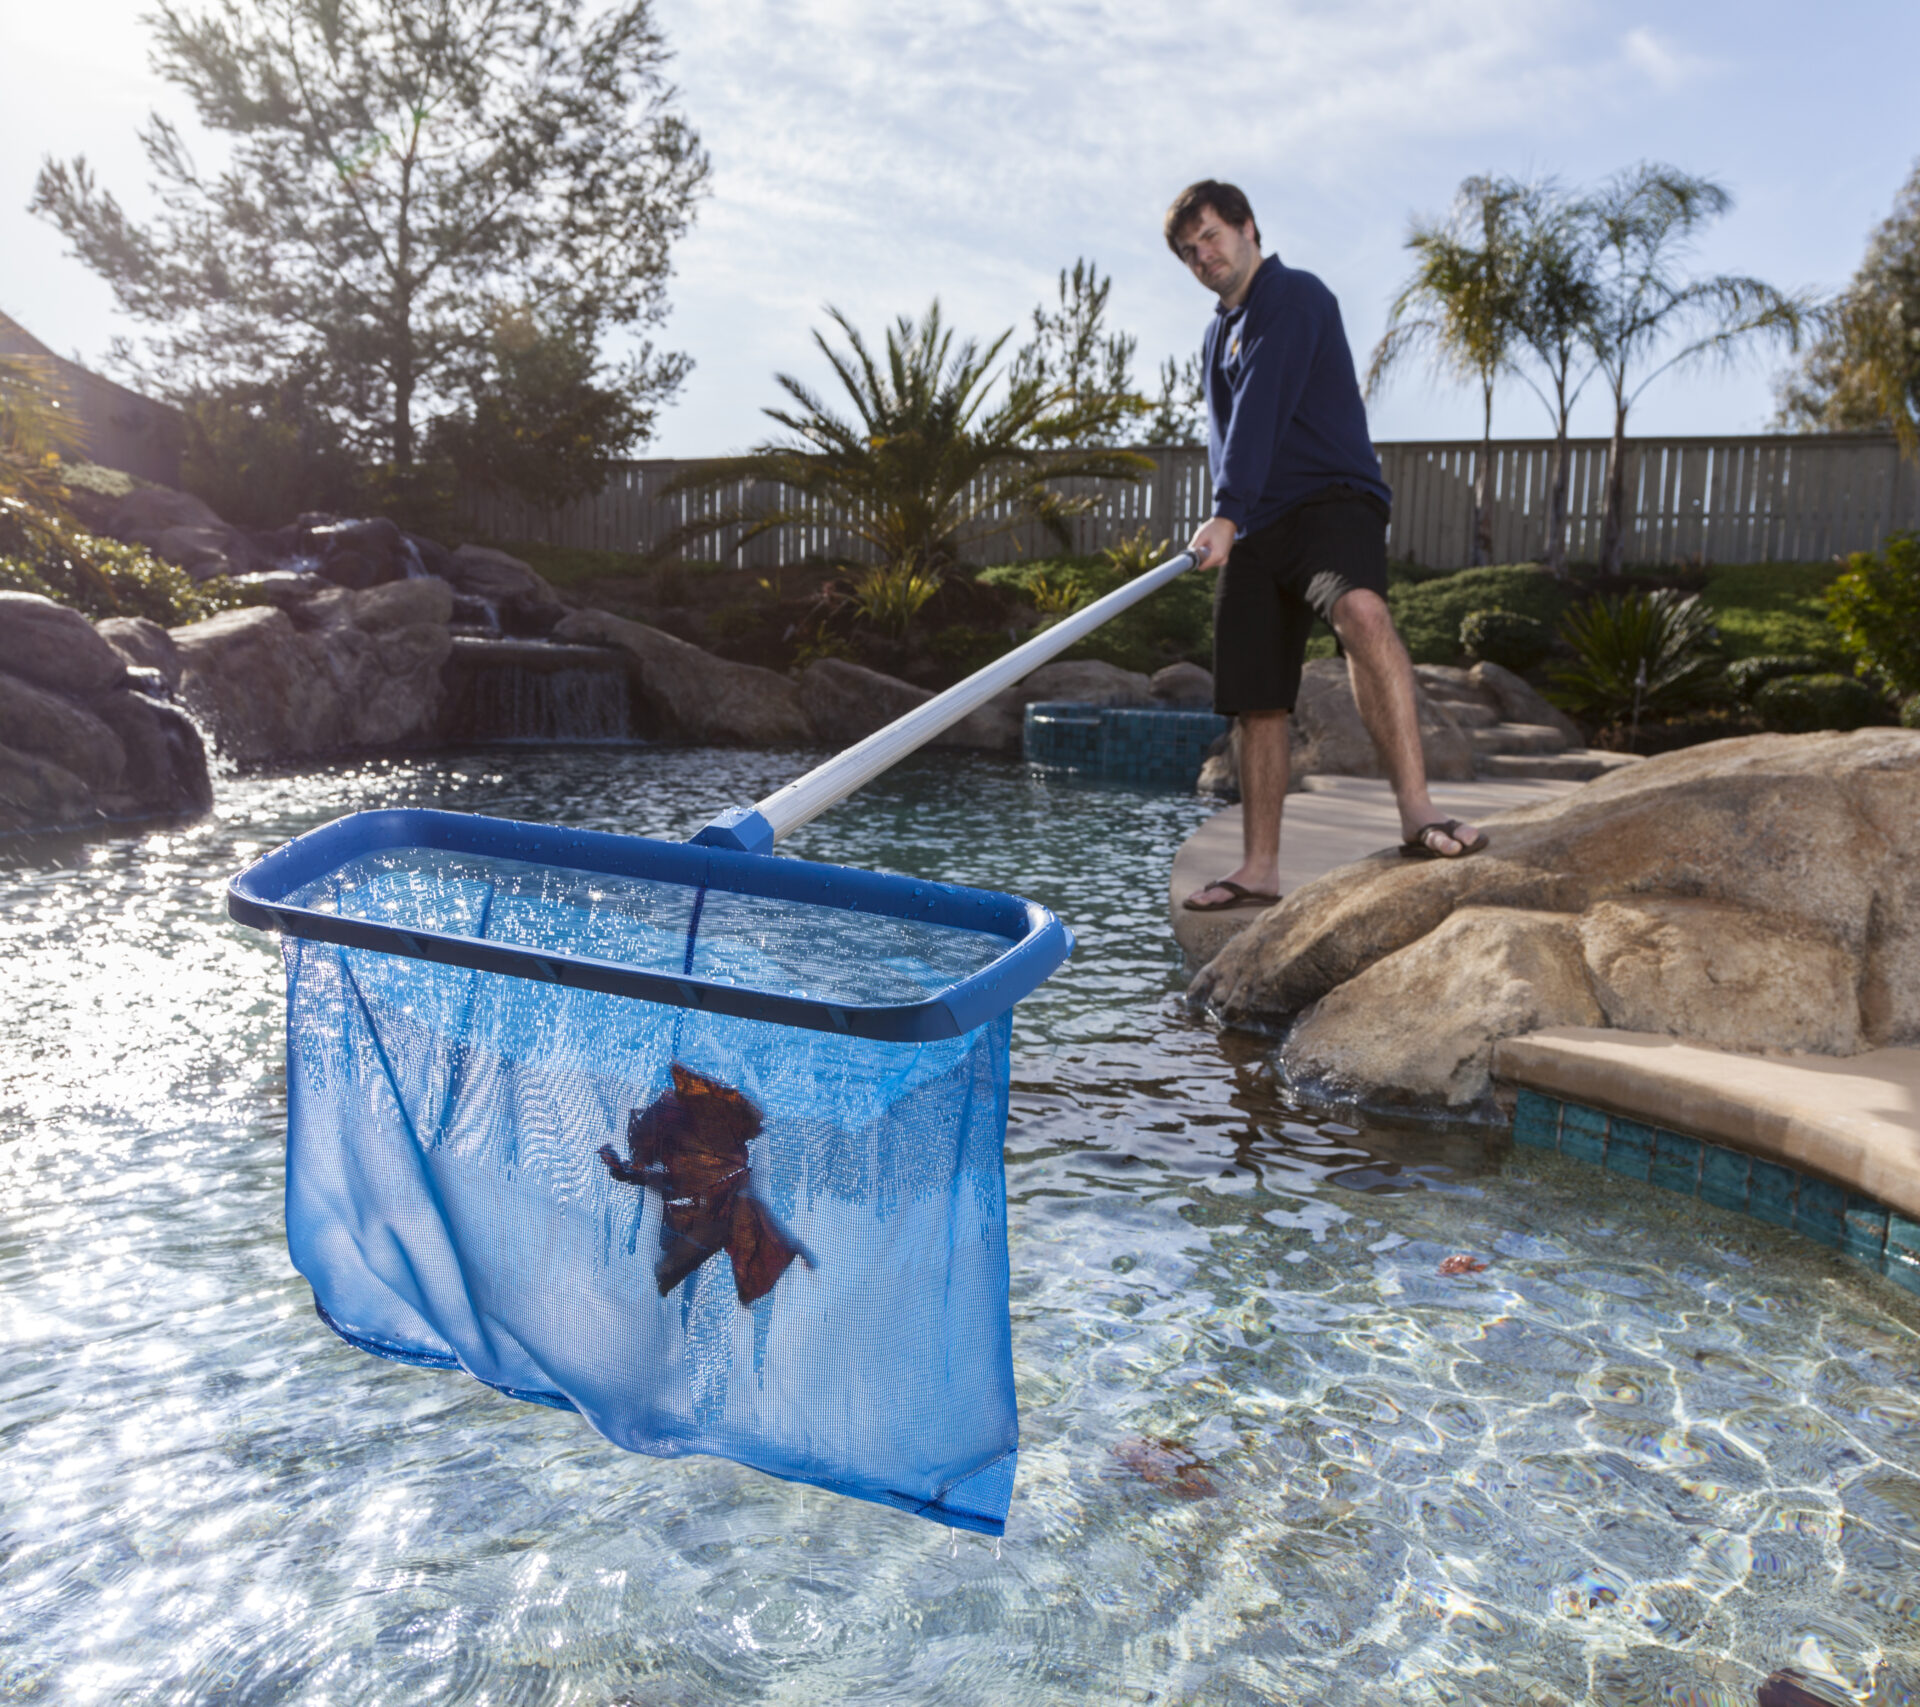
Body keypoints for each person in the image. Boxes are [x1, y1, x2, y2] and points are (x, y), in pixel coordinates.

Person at [1166, 179, 1487, 913]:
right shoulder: (1217, 333)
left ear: (1249, 227)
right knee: (1256, 702)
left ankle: (1417, 812)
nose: (1203, 256)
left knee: (1363, 615)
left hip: (1328, 502)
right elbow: (1230, 432)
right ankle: (1259, 867)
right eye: (1189, 252)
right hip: (1254, 526)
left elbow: (1262, 404)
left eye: (1211, 237)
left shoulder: (1294, 295)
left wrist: (1224, 510)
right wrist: (1235, 517)